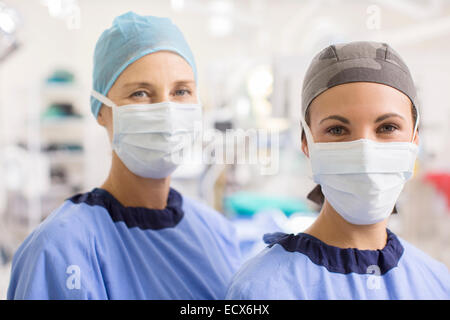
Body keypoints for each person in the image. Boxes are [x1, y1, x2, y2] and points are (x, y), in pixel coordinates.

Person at [8, 11, 241, 300]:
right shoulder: (60, 249)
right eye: (140, 94)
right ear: (101, 110)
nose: (166, 111)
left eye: (181, 91)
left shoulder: (216, 233)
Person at [226, 41, 450, 299]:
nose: (365, 152)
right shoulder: (263, 289)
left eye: (387, 127)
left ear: (415, 138)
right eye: (337, 130)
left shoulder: (436, 282)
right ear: (306, 143)